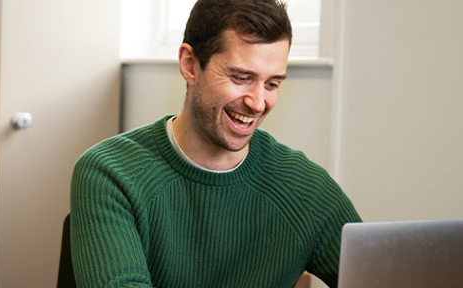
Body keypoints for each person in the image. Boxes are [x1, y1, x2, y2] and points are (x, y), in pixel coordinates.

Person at [70, 0, 361, 287]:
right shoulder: (110, 173)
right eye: (241, 77)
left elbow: (383, 273)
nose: (258, 103)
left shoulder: (305, 187)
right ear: (190, 65)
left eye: (272, 84)